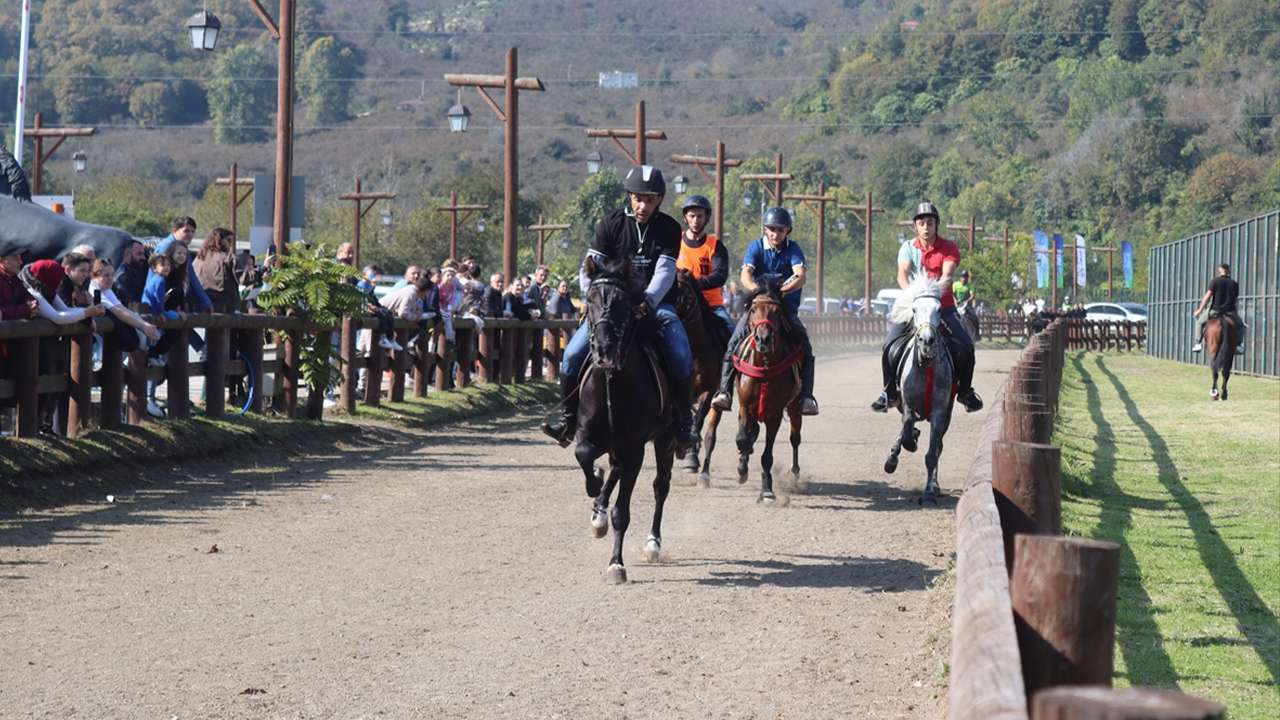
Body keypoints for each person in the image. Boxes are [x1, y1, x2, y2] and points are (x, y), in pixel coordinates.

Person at [541, 165, 698, 453]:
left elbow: (664, 272)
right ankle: (567, 420)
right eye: (638, 198)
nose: (643, 205)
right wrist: (593, 298)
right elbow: (587, 268)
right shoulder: (609, 224)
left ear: (659, 200)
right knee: (571, 357)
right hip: (610, 308)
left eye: (650, 200)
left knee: (681, 352)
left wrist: (647, 301)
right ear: (629, 197)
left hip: (655, 305)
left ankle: (684, 422)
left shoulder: (669, 228)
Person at [871, 202, 982, 413]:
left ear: (936, 225)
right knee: (888, 345)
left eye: (930, 223)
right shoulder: (907, 248)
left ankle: (966, 392)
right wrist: (913, 296)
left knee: (966, 345)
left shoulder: (948, 247)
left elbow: (948, 275)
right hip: (914, 307)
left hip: (943, 307)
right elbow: (902, 273)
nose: (926, 227)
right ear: (915, 226)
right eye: (921, 223)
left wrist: (933, 294)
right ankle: (889, 392)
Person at [710, 207, 819, 416]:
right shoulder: (756, 247)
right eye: (771, 229)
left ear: (788, 231)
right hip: (758, 310)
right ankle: (724, 391)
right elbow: (745, 276)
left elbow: (800, 275)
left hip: (785, 310)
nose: (775, 234)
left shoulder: (793, 249)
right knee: (733, 341)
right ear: (765, 229)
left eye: (780, 230)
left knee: (805, 347)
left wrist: (779, 291)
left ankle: (806, 397)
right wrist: (759, 292)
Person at [675, 194, 735, 337]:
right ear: (685, 218)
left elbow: (720, 275)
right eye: (692, 216)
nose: (695, 220)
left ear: (706, 218)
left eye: (700, 216)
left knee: (731, 331)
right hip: (680, 303)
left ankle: (731, 360)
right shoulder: (675, 242)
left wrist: (693, 283)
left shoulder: (715, 246)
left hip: (711, 305)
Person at [89, 259, 160, 352]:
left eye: (111, 275)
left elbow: (122, 309)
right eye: (106, 275)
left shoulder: (107, 290)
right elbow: (117, 312)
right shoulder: (94, 289)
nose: (110, 279)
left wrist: (144, 324)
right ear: (95, 276)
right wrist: (142, 326)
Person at [1192, 263, 1245, 354]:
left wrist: (1199, 310)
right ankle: (1238, 345)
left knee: (1199, 322)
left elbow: (1207, 297)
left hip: (1215, 310)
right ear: (1228, 271)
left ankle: (1198, 343)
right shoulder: (1234, 283)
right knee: (1241, 325)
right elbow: (1235, 300)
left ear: (1219, 271)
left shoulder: (1215, 281)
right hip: (1230, 311)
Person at [194, 228, 240, 314]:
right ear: (219, 240)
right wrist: (262, 270)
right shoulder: (227, 258)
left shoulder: (199, 258)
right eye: (228, 240)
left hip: (201, 302)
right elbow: (242, 276)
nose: (230, 244)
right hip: (224, 305)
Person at [112, 239, 149, 308]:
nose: (143, 258)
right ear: (127, 254)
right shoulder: (122, 278)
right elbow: (131, 305)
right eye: (139, 254)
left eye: (143, 254)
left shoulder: (138, 272)